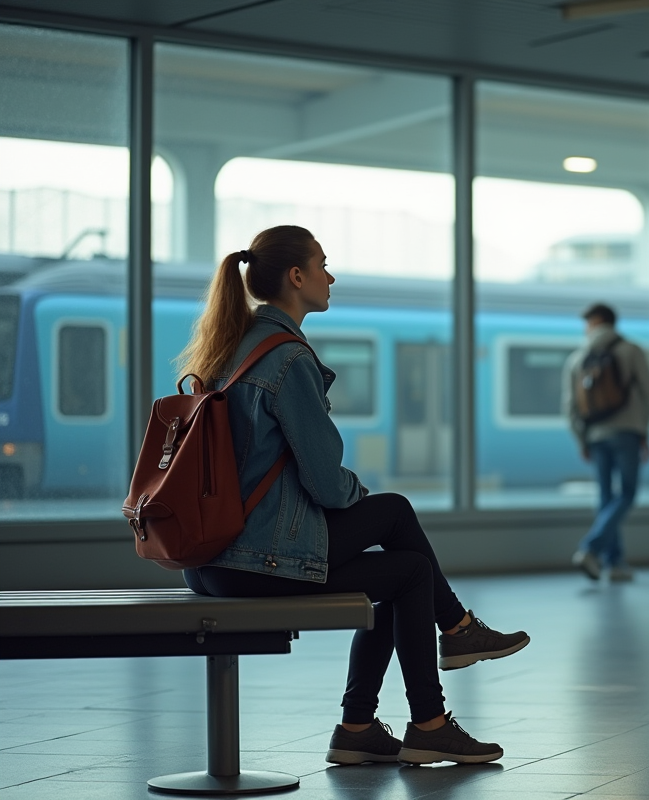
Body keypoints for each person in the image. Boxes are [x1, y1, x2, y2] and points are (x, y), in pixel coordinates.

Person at [178, 225, 529, 766]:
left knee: (403, 570)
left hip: (211, 561)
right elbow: (325, 482)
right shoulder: (287, 359)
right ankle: (443, 675)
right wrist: (356, 492)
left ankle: (360, 727)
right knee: (393, 515)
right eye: (322, 263)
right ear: (296, 277)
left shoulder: (232, 346)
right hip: (253, 560)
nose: (330, 275)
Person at [563, 302, 649, 582]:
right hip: (626, 432)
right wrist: (643, 433)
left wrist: (581, 440)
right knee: (626, 494)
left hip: (595, 436)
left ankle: (615, 563)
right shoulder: (632, 351)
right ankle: (592, 550)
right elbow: (648, 394)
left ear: (595, 322)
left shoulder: (578, 358)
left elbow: (570, 407)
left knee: (606, 498)